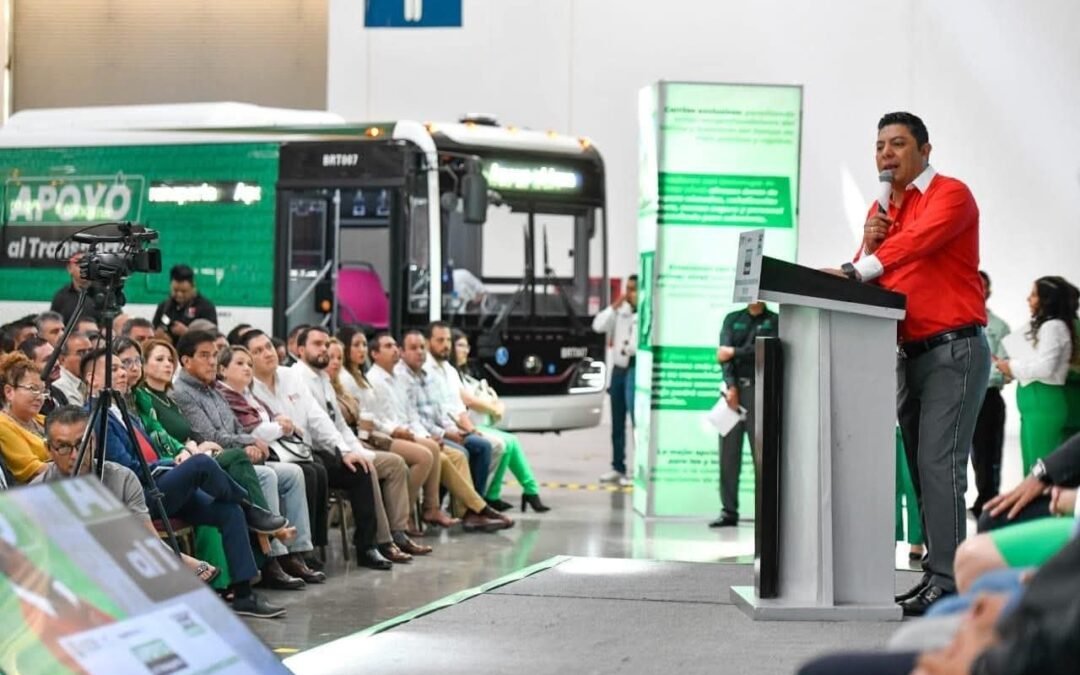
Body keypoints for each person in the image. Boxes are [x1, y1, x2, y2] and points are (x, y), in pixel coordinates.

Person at [833, 112, 990, 616]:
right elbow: (868, 274)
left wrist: (865, 262)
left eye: (898, 144)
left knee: (939, 466)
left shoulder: (951, 194)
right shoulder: (886, 209)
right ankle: (934, 577)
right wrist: (869, 241)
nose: (886, 154)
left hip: (953, 350)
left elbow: (916, 245)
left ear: (925, 149)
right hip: (909, 354)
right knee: (925, 471)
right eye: (879, 145)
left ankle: (951, 582)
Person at [80, 347, 288, 618]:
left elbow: (149, 455)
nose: (122, 373)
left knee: (229, 511)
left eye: (122, 367)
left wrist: (174, 458)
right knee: (201, 463)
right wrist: (172, 464)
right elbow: (127, 469)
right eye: (114, 369)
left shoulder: (125, 412)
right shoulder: (95, 417)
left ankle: (244, 596)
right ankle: (252, 509)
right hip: (138, 497)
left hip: (162, 485)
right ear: (92, 379)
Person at [166, 332, 323, 587]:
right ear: (186, 360)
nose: (212, 362)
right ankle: (271, 558)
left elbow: (238, 427)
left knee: (293, 474)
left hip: (234, 454)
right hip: (214, 461)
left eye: (214, 355)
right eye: (204, 356)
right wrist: (248, 442)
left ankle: (296, 553)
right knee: (268, 475)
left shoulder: (214, 389)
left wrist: (247, 441)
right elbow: (209, 436)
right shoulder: (183, 392)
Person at [237, 330, 392, 569]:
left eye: (268, 346)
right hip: (276, 455)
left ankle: (367, 546)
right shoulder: (247, 388)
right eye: (257, 351)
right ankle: (305, 550)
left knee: (358, 469)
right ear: (248, 359)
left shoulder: (290, 376)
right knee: (313, 471)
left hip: (304, 449)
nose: (267, 353)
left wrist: (343, 450)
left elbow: (318, 417)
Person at [36, 405, 220, 583]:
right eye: (63, 447)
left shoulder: (121, 478)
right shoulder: (36, 492)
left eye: (81, 444)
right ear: (48, 449)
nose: (75, 455)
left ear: (93, 441)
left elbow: (145, 534)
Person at [289, 326, 425, 561]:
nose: (324, 349)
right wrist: (347, 452)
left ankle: (393, 534)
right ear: (300, 350)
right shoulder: (297, 377)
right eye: (317, 344)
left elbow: (339, 425)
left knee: (387, 464)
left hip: (337, 445)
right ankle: (376, 543)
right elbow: (317, 426)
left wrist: (355, 450)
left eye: (325, 344)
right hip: (313, 450)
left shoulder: (323, 379)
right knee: (364, 469)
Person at [367, 332, 509, 532]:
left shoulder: (401, 378)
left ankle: (462, 510)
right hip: (393, 436)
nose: (395, 351)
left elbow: (417, 415)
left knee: (462, 453)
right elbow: (378, 421)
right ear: (374, 354)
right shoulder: (377, 380)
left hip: (417, 432)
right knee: (435, 454)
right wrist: (430, 435)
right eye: (389, 347)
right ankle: (409, 513)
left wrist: (436, 433)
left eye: (421, 347)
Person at [335, 325, 449, 532]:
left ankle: (426, 508)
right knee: (424, 455)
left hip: (377, 432)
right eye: (356, 345)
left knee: (431, 448)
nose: (361, 350)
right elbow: (366, 419)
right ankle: (400, 516)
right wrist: (393, 431)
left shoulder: (359, 376)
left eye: (363, 344)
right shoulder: (349, 379)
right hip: (370, 436)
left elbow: (382, 415)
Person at [445, 329, 550, 512]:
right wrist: (494, 408)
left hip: (470, 423)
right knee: (505, 442)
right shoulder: (447, 372)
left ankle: (522, 491)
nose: (466, 350)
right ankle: (493, 496)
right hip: (459, 425)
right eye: (460, 345)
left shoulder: (461, 373)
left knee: (510, 441)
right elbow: (467, 400)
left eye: (467, 346)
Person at [994, 276, 1079, 475]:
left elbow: (1045, 368)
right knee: (1033, 470)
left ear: (1047, 300)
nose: (1028, 299)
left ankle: (1050, 508)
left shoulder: (1053, 327)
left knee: (1041, 474)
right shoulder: (1047, 326)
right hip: (1036, 406)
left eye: (1034, 295)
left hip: (1044, 405)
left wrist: (1011, 367)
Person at [711, 301, 778, 528]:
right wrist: (731, 386)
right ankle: (729, 511)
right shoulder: (732, 319)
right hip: (733, 394)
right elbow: (723, 356)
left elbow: (767, 353)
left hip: (760, 392)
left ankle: (765, 514)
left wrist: (735, 352)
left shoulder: (775, 321)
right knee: (728, 456)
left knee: (762, 456)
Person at [970, 270, 1011, 518]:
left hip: (987, 396)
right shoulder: (957, 321)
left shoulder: (998, 327)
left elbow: (1005, 366)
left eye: (983, 286)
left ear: (989, 291)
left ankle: (988, 506)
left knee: (987, 455)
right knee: (969, 455)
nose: (978, 290)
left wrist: (988, 372)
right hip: (962, 396)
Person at [591, 275, 637, 486]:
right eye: (627, 289)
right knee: (617, 423)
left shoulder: (645, 313)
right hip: (618, 370)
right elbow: (598, 326)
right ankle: (617, 466)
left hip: (635, 369)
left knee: (636, 423)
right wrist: (615, 305)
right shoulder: (620, 312)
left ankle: (637, 471)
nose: (629, 294)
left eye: (634, 289)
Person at [0, 352, 50, 483]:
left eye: (43, 391)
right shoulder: (2, 424)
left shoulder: (42, 419)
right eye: (33, 389)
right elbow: (33, 469)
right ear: (9, 392)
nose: (40, 397)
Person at [152, 264, 218, 343]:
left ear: (193, 287)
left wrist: (187, 333)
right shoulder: (164, 306)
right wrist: (159, 336)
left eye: (184, 291)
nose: (179, 295)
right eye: (175, 290)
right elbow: (154, 328)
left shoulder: (206, 307)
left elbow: (212, 337)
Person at [18, 337, 67, 415]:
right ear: (30, 365)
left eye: (55, 357)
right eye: (48, 360)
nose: (57, 363)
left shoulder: (58, 393)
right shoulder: (30, 402)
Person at [49, 252, 98, 325]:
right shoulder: (61, 297)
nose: (84, 267)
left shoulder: (104, 293)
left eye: (88, 264)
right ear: (69, 269)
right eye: (79, 263)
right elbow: (53, 324)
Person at [51, 332, 91, 407]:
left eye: (90, 351)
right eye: (81, 353)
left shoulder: (92, 379)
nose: (88, 357)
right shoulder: (59, 385)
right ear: (62, 359)